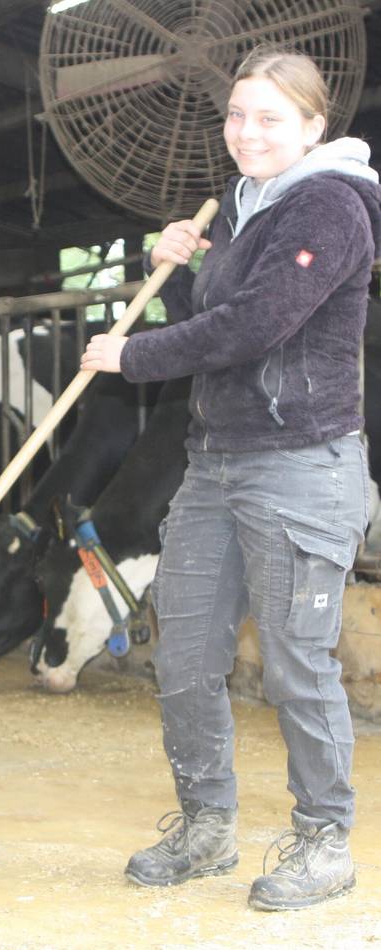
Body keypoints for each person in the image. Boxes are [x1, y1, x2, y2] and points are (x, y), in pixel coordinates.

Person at [80, 47, 380, 911]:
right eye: (237, 115)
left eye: (270, 118)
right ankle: (207, 825)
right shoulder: (245, 206)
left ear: (314, 127)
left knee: (294, 663)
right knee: (184, 655)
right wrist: (175, 271)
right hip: (215, 463)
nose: (247, 133)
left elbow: (256, 326)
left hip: (300, 463)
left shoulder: (329, 204)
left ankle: (324, 842)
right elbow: (212, 323)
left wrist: (133, 356)